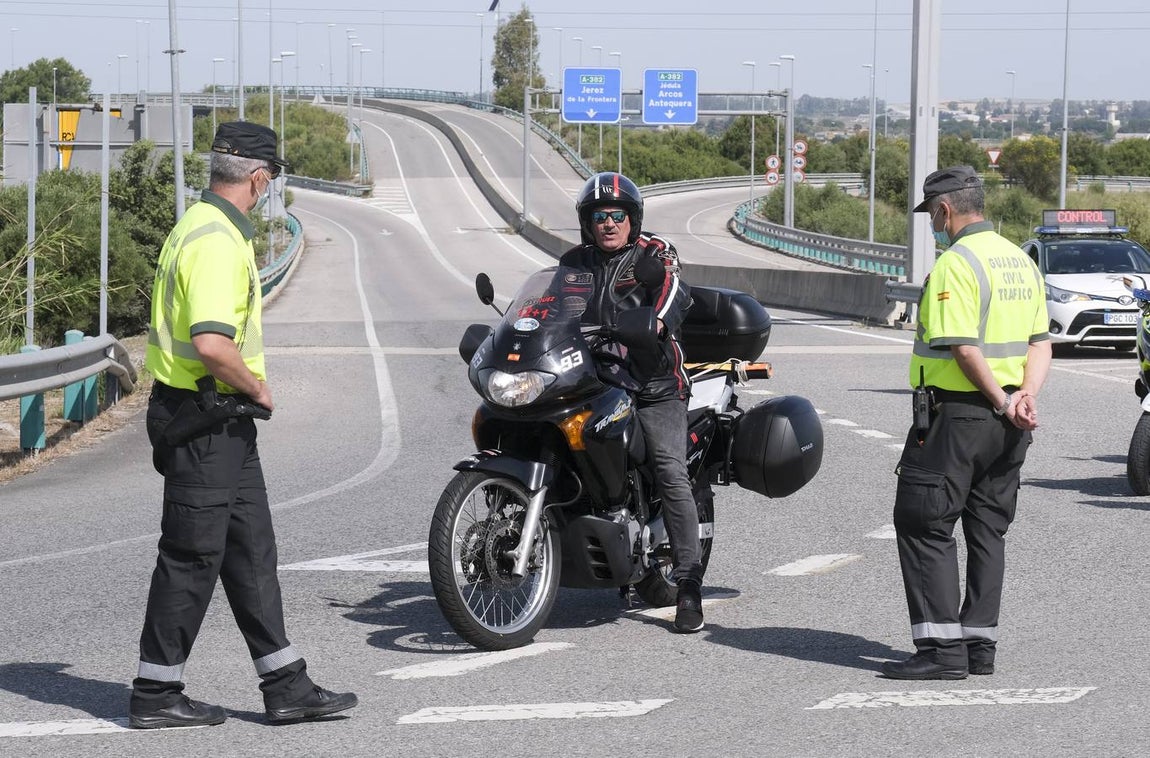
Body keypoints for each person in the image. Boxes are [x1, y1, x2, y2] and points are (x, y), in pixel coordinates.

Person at [130, 121, 357, 728]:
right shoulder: (216, 241)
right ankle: (155, 693)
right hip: (202, 416)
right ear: (259, 178)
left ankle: (285, 684)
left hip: (221, 422)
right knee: (192, 555)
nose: (269, 188)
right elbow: (210, 341)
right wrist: (258, 387)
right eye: (271, 178)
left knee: (250, 551)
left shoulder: (201, 223)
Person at [883, 165, 1051, 680]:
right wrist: (1024, 397)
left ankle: (940, 652)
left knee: (923, 520)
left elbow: (962, 347)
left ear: (945, 210)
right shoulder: (1021, 261)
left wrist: (1001, 399)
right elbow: (1040, 342)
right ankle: (979, 647)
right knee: (988, 530)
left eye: (932, 216)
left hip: (957, 416)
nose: (932, 225)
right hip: (1010, 421)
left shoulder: (958, 262)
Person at [559, 172, 704, 633]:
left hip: (652, 384)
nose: (608, 224)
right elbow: (549, 306)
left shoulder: (654, 254)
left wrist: (654, 325)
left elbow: (672, 296)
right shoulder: (573, 262)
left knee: (668, 468)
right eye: (599, 216)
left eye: (617, 216)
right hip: (594, 380)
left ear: (632, 219)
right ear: (587, 222)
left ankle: (688, 585)